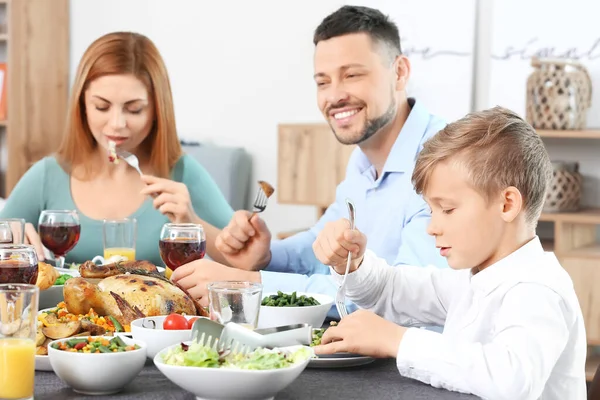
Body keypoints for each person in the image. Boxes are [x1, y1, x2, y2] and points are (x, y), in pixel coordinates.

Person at [171, 6, 447, 310]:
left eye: (352, 75)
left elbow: (404, 296)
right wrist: (267, 256)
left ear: (399, 72)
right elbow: (320, 245)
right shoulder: (363, 158)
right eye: (322, 82)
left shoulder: (442, 163)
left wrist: (250, 284)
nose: (334, 96)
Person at [313, 107, 587, 400]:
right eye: (431, 211)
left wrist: (398, 340)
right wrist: (351, 263)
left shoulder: (538, 288)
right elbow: (389, 290)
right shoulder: (474, 279)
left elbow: (512, 380)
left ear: (507, 205)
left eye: (447, 209)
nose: (432, 227)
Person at [0, 32, 234, 266]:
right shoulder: (48, 175)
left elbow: (245, 263)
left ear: (157, 111)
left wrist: (192, 221)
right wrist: (9, 237)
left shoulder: (182, 174)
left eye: (134, 110)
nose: (116, 124)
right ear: (82, 105)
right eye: (102, 107)